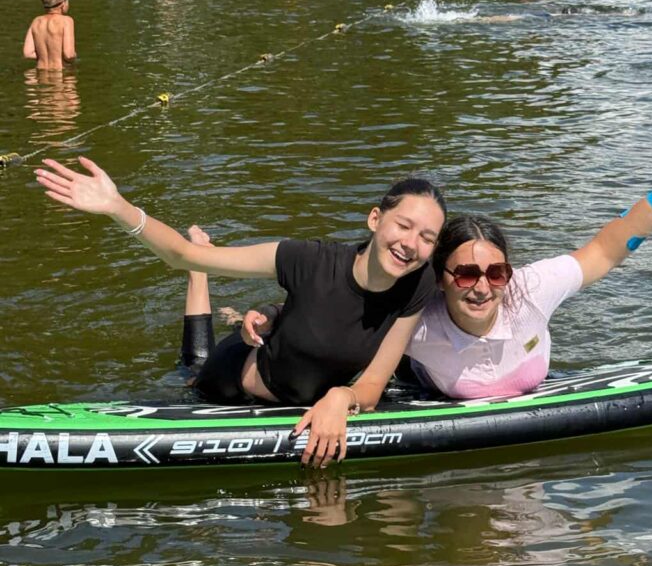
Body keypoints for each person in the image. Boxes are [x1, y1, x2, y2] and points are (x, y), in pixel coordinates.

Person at [34, 156, 446, 465]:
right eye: (403, 225)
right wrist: (118, 207)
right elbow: (180, 253)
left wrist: (342, 397)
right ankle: (200, 279)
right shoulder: (307, 260)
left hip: (292, 386)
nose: (411, 244)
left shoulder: (419, 283)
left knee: (239, 331)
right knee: (193, 365)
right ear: (375, 219)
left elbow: (372, 384)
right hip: (230, 381)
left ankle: (226, 299)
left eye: (427, 237)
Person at [398, 136, 652, 401]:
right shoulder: (417, 325)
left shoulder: (532, 288)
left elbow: (603, 251)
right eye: (466, 275)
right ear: (440, 280)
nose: (482, 288)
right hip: (423, 386)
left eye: (496, 274)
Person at [23, 0, 76, 70]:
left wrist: (45, 56)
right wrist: (74, 55)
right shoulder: (66, 21)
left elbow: (27, 53)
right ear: (63, 4)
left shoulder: (36, 21)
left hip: (40, 71)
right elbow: (69, 55)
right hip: (59, 73)